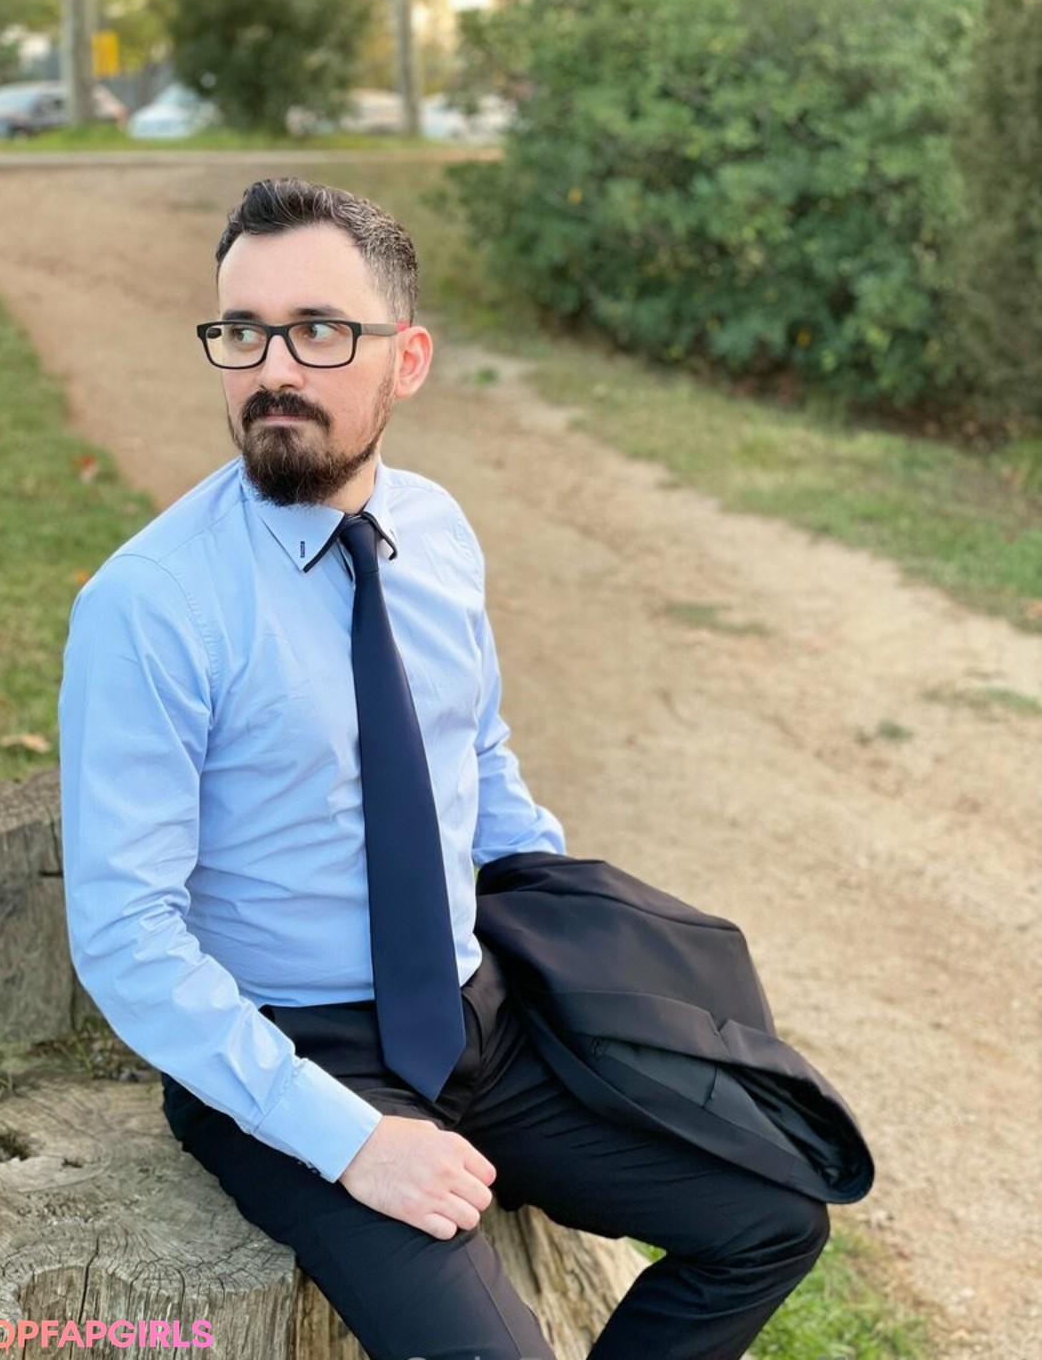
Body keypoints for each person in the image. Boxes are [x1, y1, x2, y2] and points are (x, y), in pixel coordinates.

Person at [59, 177, 829, 1360]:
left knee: (773, 1219)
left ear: (406, 359)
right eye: (243, 332)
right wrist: (353, 1139)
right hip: (292, 1051)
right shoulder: (151, 606)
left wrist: (579, 939)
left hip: (480, 1017)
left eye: (320, 331)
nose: (274, 369)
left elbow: (475, 751)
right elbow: (126, 935)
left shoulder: (438, 530)